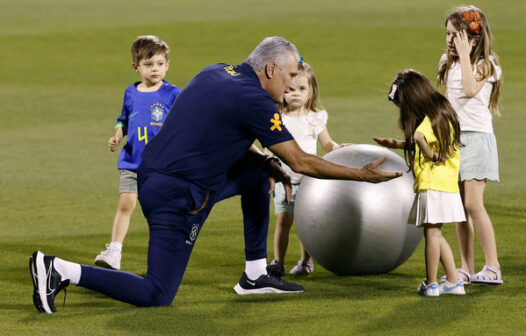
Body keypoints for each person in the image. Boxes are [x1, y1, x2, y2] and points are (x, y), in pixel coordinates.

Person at [29, 36, 401, 314]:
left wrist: (264, 162)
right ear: (270, 69)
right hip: (178, 196)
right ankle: (60, 269)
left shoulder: (215, 72)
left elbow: (216, 133)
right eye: (288, 76)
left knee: (259, 173)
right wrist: (360, 175)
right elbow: (301, 161)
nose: (290, 86)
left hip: (159, 176)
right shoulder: (255, 100)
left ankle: (254, 275)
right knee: (158, 293)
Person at [374, 69, 466, 296]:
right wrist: (396, 144)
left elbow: (421, 140)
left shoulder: (426, 122)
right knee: (435, 232)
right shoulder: (442, 113)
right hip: (446, 183)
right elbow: (431, 143)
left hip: (432, 183)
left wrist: (424, 149)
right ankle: (453, 281)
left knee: (431, 234)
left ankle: (431, 282)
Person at [94, 35, 180, 270]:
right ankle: (114, 251)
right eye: (149, 64)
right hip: (132, 161)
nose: (155, 69)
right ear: (136, 67)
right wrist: (117, 135)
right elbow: (122, 119)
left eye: (160, 64)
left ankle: (166, 259)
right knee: (126, 204)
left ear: (167, 65)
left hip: (161, 166)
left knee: (160, 212)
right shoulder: (130, 92)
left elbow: (182, 124)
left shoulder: (173, 94)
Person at [437, 6, 503, 284]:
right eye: (448, 35)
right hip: (455, 140)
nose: (450, 41)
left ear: (474, 39)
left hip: (477, 139)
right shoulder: (447, 61)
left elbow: (469, 89)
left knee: (473, 204)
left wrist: (464, 56)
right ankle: (466, 267)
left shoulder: (486, 65)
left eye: (456, 36)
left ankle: (493, 266)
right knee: (460, 209)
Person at [265, 62, 349, 277]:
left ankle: (305, 262)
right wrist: (269, 165)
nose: (296, 94)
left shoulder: (314, 118)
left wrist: (337, 148)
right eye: (291, 89)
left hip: (308, 181)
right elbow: (269, 147)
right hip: (285, 180)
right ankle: (278, 261)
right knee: (283, 221)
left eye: (302, 89)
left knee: (306, 224)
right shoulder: (277, 118)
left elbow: (327, 144)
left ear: (311, 91)